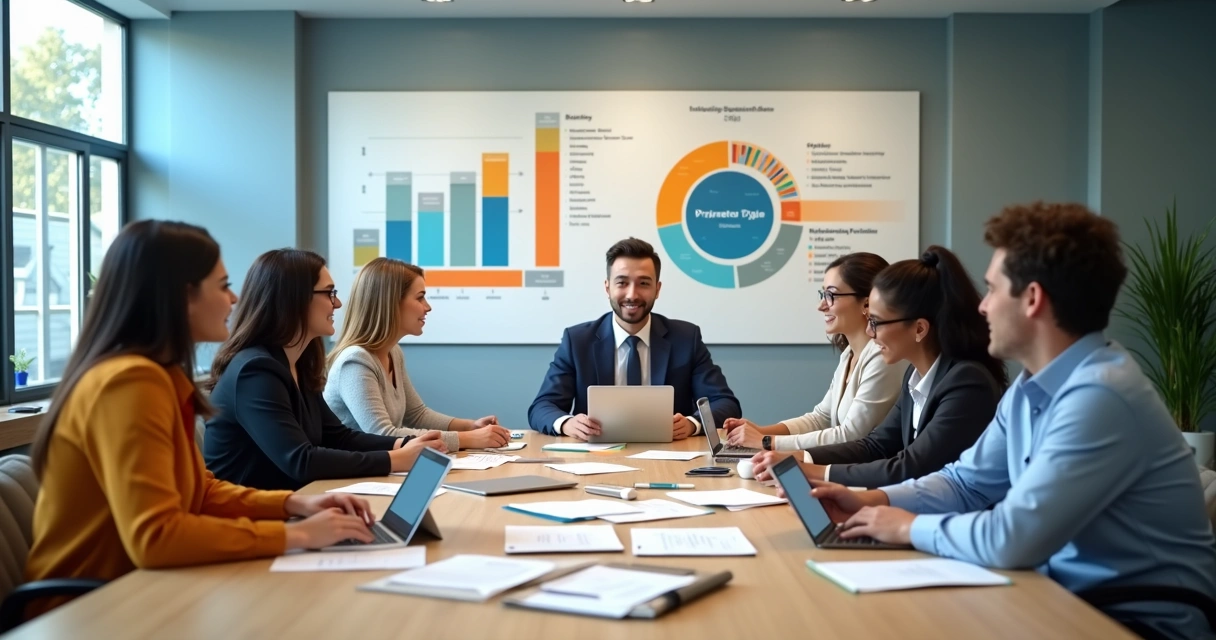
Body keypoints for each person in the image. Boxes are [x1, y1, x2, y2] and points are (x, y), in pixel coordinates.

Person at [782, 203, 1216, 639]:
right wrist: (873, 501)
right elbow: (965, 483)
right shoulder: (1031, 388)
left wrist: (907, 525)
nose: (983, 306)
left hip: (1135, 621)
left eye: (992, 290)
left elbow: (1013, 536)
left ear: (1032, 299)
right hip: (1061, 597)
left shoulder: (1101, 397)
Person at [25, 221, 377, 616]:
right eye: (223, 285)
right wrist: (292, 536)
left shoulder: (162, 376)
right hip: (87, 609)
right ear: (182, 296)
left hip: (143, 589)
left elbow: (201, 491)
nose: (234, 298)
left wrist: (296, 505)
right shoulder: (127, 383)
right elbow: (156, 536)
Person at [753, 246, 1006, 488]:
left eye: (876, 322)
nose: (869, 332)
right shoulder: (915, 376)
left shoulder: (967, 382)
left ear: (919, 329)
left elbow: (911, 467)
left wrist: (813, 471)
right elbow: (875, 446)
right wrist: (802, 457)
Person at [204, 249, 444, 491]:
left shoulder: (298, 363)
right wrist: (395, 459)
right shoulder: (255, 371)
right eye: (329, 293)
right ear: (295, 298)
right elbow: (301, 460)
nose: (337, 303)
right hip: (253, 510)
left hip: (296, 499)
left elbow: (339, 436)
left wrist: (403, 444)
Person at [527, 237, 741, 440]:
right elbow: (542, 406)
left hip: (671, 453)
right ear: (607, 287)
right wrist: (566, 423)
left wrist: (693, 424)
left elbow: (725, 403)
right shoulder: (577, 341)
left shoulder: (686, 338)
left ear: (657, 289)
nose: (632, 295)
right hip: (596, 453)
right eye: (622, 283)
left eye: (644, 283)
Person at [324, 258, 511, 451]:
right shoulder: (355, 361)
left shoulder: (393, 352)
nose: (427, 307)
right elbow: (383, 435)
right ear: (391, 303)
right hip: (352, 468)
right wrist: (468, 439)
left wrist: (470, 426)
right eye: (420, 298)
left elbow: (417, 414)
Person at [724, 253, 904, 451]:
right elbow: (820, 418)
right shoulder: (849, 354)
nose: (821, 306)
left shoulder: (882, 357)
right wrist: (760, 431)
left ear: (866, 303)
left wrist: (767, 441)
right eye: (823, 294)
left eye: (831, 295)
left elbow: (850, 435)